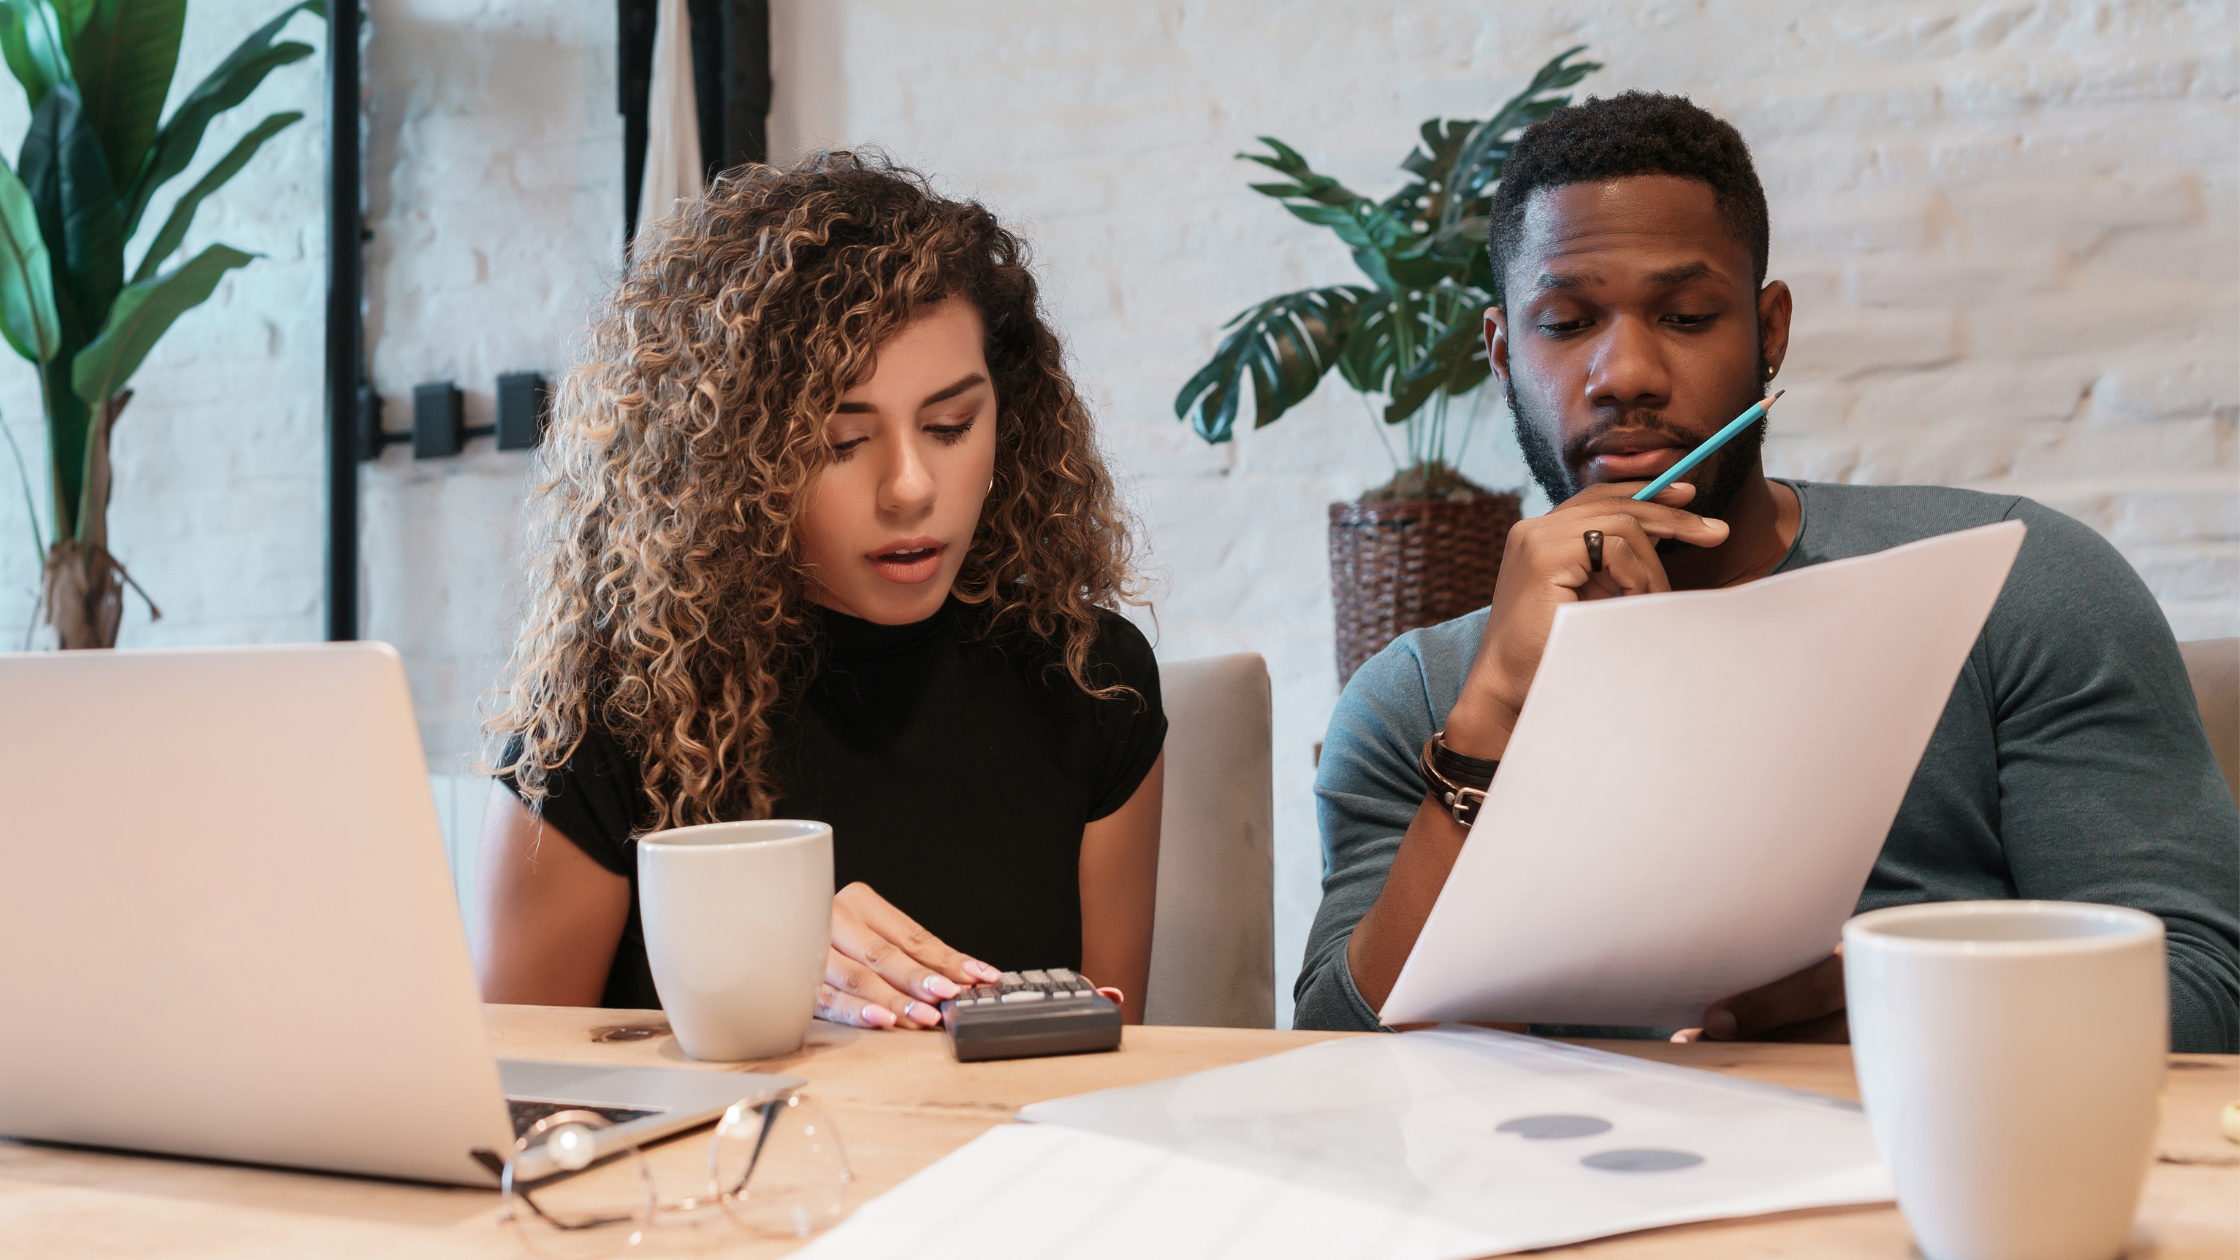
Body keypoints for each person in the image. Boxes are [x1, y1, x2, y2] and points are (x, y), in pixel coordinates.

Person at [1296, 92, 2240, 1052]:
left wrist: (1904, 1022)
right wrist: (1493, 710)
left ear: (1769, 331)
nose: (1624, 372)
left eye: (1687, 314)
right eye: (1568, 322)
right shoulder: (1416, 702)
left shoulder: (2018, 586)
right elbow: (1337, 1061)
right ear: (1502, 354)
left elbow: (2204, 994)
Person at [476, 153, 1166, 1029]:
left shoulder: (1088, 679)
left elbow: (1114, 1060)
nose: (911, 487)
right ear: (733, 461)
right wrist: (745, 966)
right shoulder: (610, 713)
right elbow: (516, 1093)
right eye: (842, 441)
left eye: (952, 426)